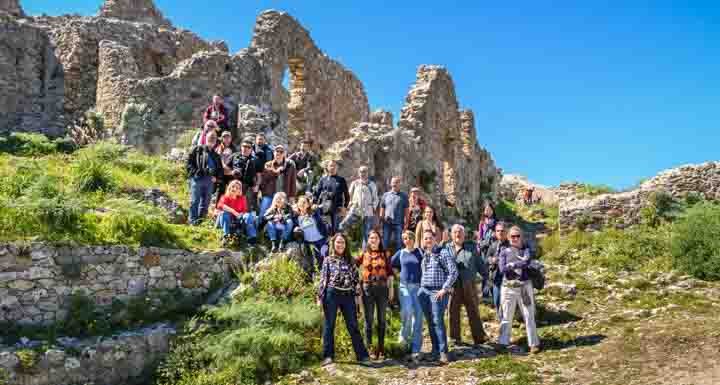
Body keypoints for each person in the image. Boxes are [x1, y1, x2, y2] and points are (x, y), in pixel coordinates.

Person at [317, 233, 371, 367]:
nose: (340, 245)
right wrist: (319, 298)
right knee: (329, 325)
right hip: (331, 294)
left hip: (348, 296)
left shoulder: (351, 260)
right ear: (333, 244)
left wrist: (359, 300)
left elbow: (356, 282)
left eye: (342, 242)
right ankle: (328, 356)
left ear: (345, 245)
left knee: (353, 325)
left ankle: (362, 356)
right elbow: (323, 280)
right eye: (338, 242)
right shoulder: (328, 260)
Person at [497, 226, 541, 354]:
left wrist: (512, 264)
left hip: (524, 287)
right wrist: (515, 264)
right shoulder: (504, 251)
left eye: (517, 236)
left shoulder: (525, 250)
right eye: (512, 236)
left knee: (528, 315)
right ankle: (503, 342)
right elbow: (502, 269)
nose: (515, 238)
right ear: (508, 238)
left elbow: (526, 262)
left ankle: (533, 343)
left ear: (521, 237)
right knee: (506, 315)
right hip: (508, 287)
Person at [444, 224, 488, 347]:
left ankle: (479, 337)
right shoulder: (447, 248)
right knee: (453, 311)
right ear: (451, 235)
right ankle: (454, 338)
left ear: (464, 235)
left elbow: (479, 263)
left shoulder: (471, 247)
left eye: (460, 232)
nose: (458, 234)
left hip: (469, 283)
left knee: (473, 310)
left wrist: (486, 277)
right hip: (453, 285)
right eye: (455, 232)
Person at [418, 229, 458, 364]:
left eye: (430, 238)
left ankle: (443, 353)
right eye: (425, 239)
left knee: (438, 322)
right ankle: (435, 350)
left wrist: (444, 289)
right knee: (430, 322)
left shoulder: (443, 253)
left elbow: (453, 272)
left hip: (437, 292)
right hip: (424, 292)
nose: (427, 241)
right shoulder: (425, 254)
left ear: (435, 239)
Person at [355, 230, 394, 361]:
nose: (373, 240)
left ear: (379, 240)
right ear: (368, 240)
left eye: (376, 238)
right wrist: (356, 282)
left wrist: (391, 289)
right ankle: (369, 348)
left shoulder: (385, 254)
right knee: (369, 320)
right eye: (371, 238)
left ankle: (381, 348)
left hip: (382, 288)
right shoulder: (363, 253)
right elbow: (352, 264)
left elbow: (390, 273)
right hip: (367, 288)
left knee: (382, 320)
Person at [391, 230, 424, 363]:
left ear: (413, 238)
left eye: (409, 238)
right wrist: (398, 275)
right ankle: (403, 342)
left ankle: (416, 348)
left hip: (418, 287)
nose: (407, 240)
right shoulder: (400, 253)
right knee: (407, 312)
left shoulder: (420, 252)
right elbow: (391, 265)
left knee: (418, 317)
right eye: (404, 238)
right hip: (404, 287)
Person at [338, 166, 379, 250]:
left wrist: (373, 207)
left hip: (368, 211)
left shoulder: (372, 184)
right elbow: (349, 195)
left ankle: (365, 253)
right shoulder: (355, 183)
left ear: (367, 173)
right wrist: (348, 206)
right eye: (361, 171)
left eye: (365, 171)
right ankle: (344, 246)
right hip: (355, 210)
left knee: (366, 233)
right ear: (358, 173)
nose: (363, 173)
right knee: (342, 225)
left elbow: (376, 198)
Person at [186, 130, 222, 225]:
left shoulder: (216, 155)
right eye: (210, 137)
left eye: (214, 138)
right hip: (197, 179)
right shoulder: (197, 150)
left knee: (205, 203)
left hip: (209, 181)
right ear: (206, 138)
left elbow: (220, 170)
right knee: (195, 201)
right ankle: (192, 221)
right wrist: (195, 173)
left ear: (216, 141)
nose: (212, 139)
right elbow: (189, 164)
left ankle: (201, 221)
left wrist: (216, 178)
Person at [259, 145, 297, 218]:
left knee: (284, 215)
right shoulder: (268, 164)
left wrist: (292, 195)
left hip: (284, 195)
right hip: (270, 194)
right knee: (263, 212)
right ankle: (260, 226)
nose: (278, 153)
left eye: (281, 151)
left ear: (284, 154)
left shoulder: (290, 165)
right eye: (277, 151)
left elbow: (293, 181)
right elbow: (264, 179)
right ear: (274, 153)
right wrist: (276, 172)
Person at [215, 180, 257, 246]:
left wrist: (241, 214)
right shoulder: (225, 197)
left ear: (240, 190)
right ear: (229, 188)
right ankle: (226, 236)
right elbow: (220, 205)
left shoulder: (242, 198)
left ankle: (252, 238)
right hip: (227, 219)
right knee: (224, 213)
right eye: (233, 186)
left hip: (238, 219)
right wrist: (233, 211)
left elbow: (244, 210)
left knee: (249, 215)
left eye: (237, 188)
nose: (234, 189)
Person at [313, 160, 350, 235]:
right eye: (331, 166)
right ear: (327, 167)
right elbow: (316, 193)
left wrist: (345, 207)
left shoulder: (341, 180)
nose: (332, 167)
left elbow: (347, 195)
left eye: (334, 166)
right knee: (326, 230)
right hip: (324, 209)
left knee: (336, 231)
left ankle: (334, 246)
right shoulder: (323, 179)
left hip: (337, 210)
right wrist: (314, 203)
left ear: (337, 168)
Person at [294, 195, 329, 275]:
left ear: (308, 204)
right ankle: (316, 276)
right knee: (314, 261)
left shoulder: (314, 213)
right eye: (300, 202)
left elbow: (322, 222)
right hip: (309, 242)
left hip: (321, 240)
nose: (302, 204)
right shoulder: (297, 217)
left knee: (325, 258)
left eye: (304, 202)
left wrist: (327, 236)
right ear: (298, 204)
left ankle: (326, 275)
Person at [486, 221, 509, 319]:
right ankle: (501, 320)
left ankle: (505, 322)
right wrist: (492, 260)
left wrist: (499, 259)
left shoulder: (510, 245)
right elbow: (487, 258)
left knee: (505, 301)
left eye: (502, 231)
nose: (500, 233)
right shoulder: (494, 245)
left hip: (507, 278)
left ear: (506, 232)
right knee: (496, 300)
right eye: (498, 231)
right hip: (495, 278)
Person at [380, 176, 409, 253]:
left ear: (400, 184)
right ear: (390, 183)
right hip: (387, 223)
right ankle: (384, 260)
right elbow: (382, 208)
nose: (394, 184)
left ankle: (398, 261)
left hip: (398, 223)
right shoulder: (385, 195)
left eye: (396, 182)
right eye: (393, 182)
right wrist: (381, 221)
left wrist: (406, 223)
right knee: (385, 241)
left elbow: (406, 210)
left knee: (399, 243)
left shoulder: (404, 196)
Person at [231, 137, 260, 214]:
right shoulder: (234, 156)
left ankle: (244, 223)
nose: (245, 148)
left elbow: (259, 174)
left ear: (251, 149)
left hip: (249, 187)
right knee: (233, 205)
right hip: (235, 186)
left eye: (248, 147)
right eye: (244, 146)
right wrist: (232, 172)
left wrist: (257, 185)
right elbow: (224, 167)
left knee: (246, 207)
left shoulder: (255, 160)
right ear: (241, 147)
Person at [477, 202, 497, 296]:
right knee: (484, 271)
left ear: (493, 210)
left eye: (489, 209)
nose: (487, 211)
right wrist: (478, 247)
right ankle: (484, 293)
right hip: (483, 249)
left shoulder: (496, 222)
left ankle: (493, 292)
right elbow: (480, 236)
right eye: (486, 209)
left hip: (493, 249)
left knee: (492, 270)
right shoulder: (482, 222)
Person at [215, 131, 237, 197]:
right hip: (221, 172)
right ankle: (218, 206)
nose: (226, 139)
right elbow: (217, 158)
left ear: (231, 138)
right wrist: (224, 166)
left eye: (228, 137)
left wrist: (231, 169)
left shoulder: (234, 148)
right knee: (221, 190)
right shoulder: (219, 148)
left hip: (230, 172)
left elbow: (236, 159)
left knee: (231, 189)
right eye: (224, 137)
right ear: (222, 138)